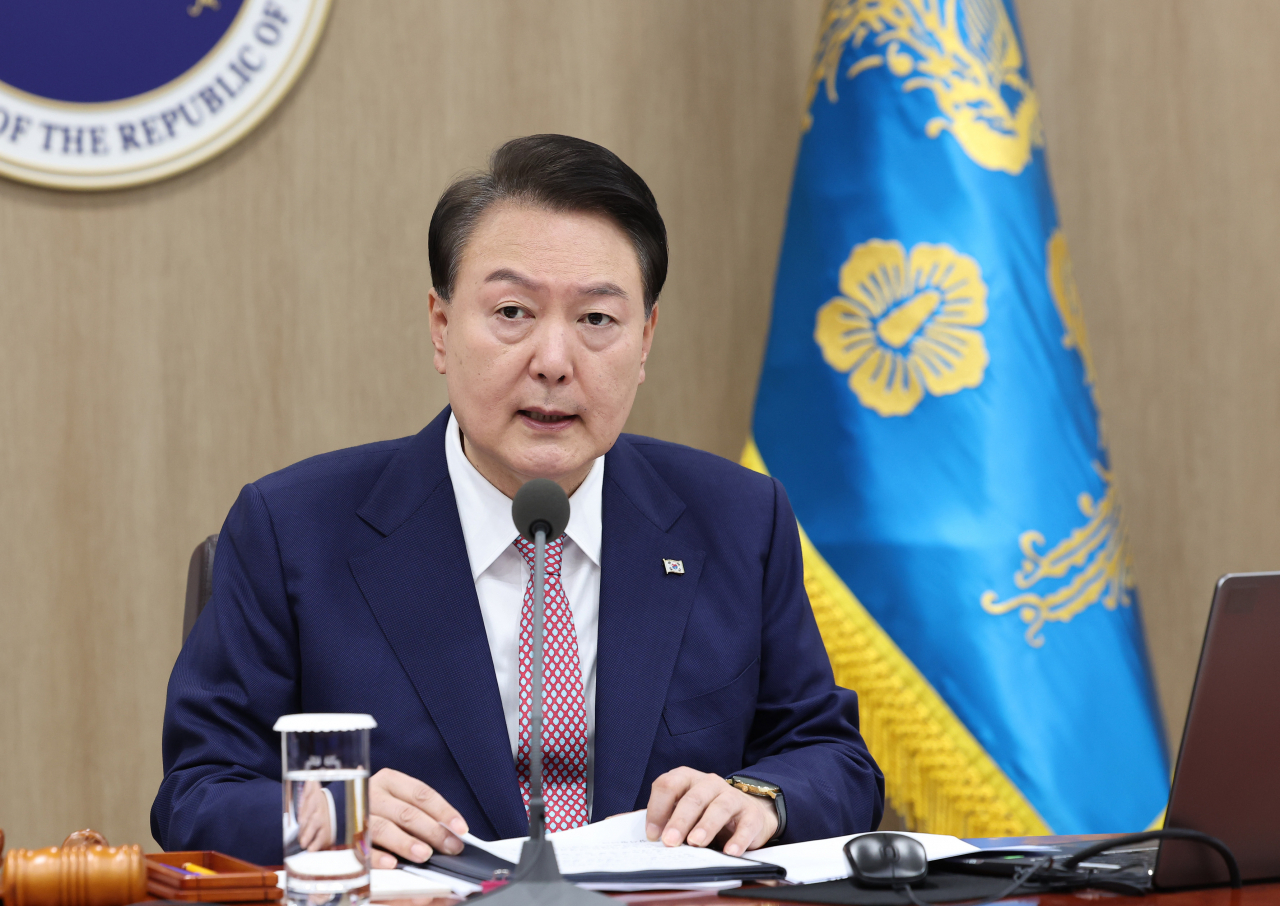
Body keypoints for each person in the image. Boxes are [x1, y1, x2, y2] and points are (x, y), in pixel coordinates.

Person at [152, 134, 884, 866]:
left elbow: (832, 759)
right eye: (511, 313)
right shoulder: (293, 530)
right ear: (441, 329)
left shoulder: (737, 520)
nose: (554, 363)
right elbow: (196, 793)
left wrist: (759, 798)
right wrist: (328, 812)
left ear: (646, 340)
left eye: (597, 320)